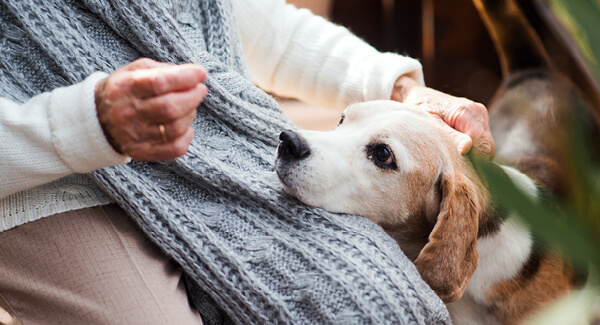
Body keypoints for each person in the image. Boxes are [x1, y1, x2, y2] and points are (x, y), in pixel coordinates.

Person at [0, 0, 494, 324]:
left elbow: (250, 23)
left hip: (220, 155)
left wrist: (399, 89)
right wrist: (86, 124)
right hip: (52, 186)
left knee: (380, 303)